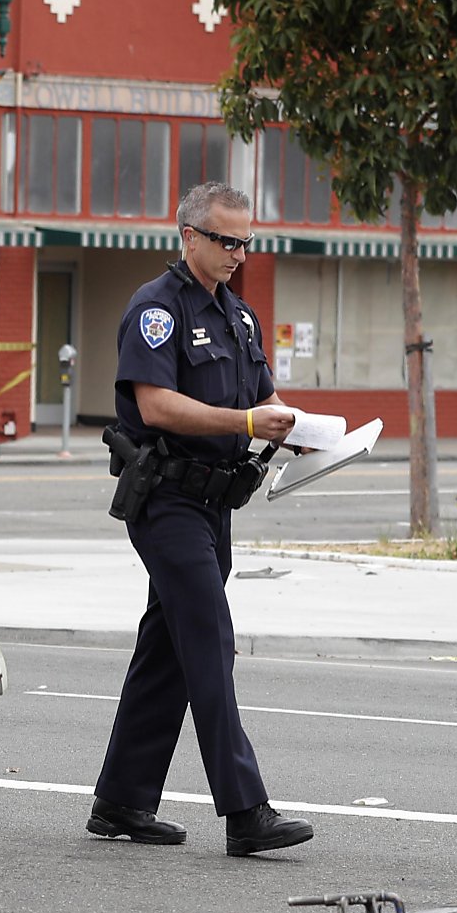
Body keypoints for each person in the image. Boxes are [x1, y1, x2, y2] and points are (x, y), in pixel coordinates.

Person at [87, 181, 313, 857]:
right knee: (210, 639)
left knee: (168, 650)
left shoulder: (239, 318)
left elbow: (264, 397)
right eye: (226, 240)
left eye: (246, 241)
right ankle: (245, 811)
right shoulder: (155, 310)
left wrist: (305, 430)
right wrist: (245, 421)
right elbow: (154, 405)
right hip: (166, 502)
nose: (239, 253)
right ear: (188, 235)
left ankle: (121, 800)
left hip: (215, 506)